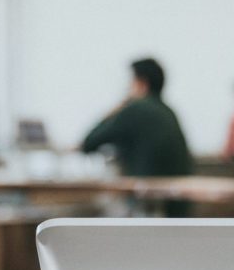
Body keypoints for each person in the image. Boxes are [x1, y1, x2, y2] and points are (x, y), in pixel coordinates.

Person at [81, 58, 193, 216]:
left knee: (102, 208)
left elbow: (88, 143)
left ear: (141, 83)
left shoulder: (134, 110)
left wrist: (117, 107)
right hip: (176, 209)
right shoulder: (169, 112)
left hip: (147, 206)